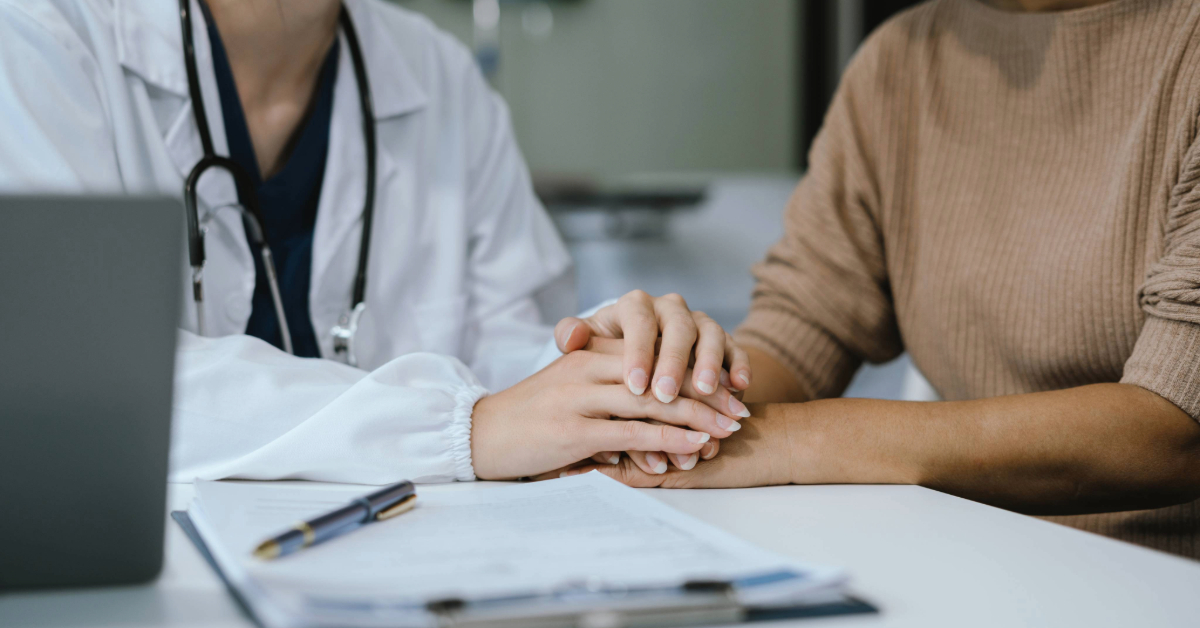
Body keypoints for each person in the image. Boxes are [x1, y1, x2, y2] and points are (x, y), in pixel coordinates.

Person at [0, 0, 752, 483]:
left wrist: (604, 365)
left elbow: (506, 350)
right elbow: (85, 390)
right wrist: (464, 430)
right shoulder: (43, 40)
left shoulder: (439, 75)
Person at [565, 0, 1200, 559]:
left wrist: (794, 441)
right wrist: (673, 395)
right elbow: (806, 323)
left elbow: (1174, 430)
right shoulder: (902, 59)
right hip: (981, 560)